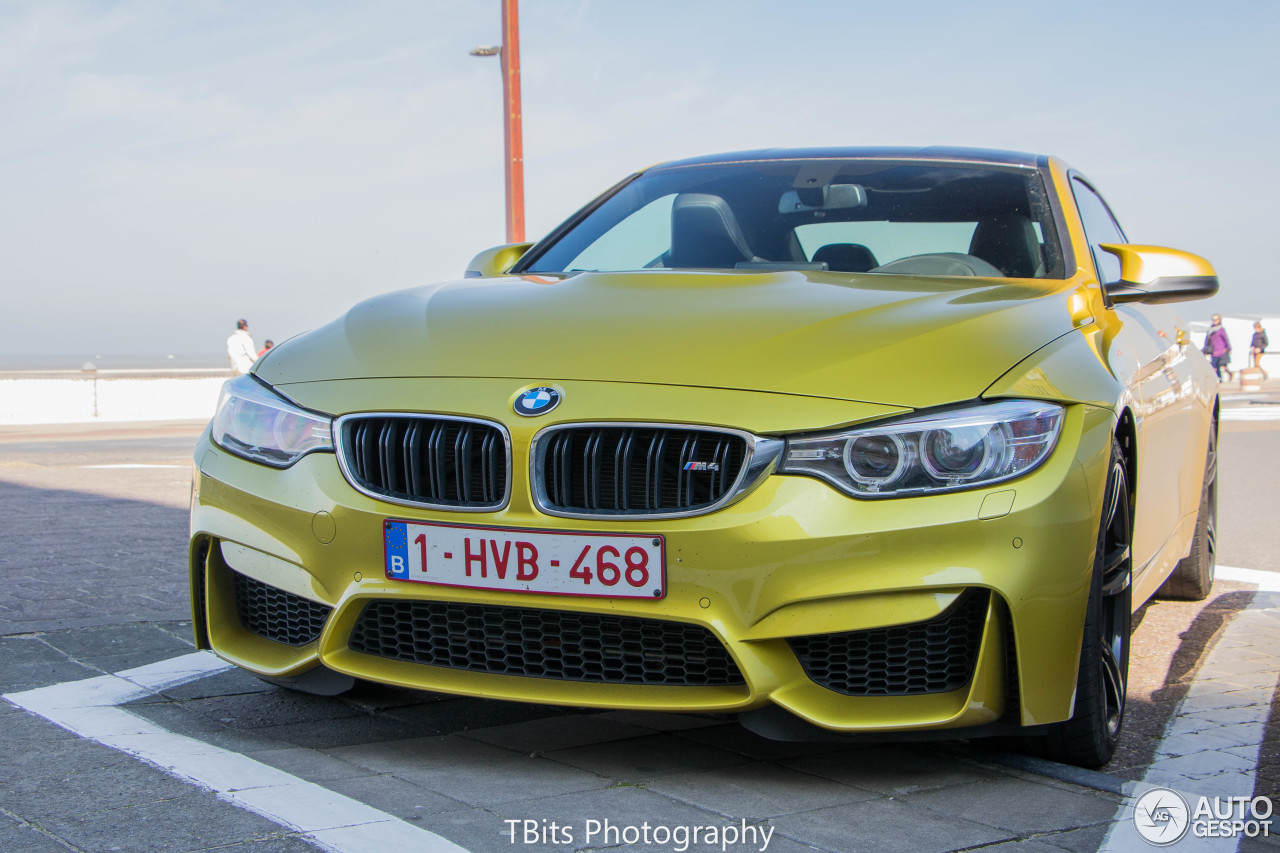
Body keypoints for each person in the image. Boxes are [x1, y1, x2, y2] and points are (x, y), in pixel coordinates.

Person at [1205, 314, 1232, 382]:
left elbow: (1226, 339)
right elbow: (1207, 341)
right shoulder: (1210, 330)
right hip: (1214, 351)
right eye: (1213, 319)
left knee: (1221, 366)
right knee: (1214, 366)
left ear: (1219, 320)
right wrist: (1205, 349)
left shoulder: (1221, 329)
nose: (1214, 321)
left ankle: (1228, 374)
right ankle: (1219, 378)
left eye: (1216, 319)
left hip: (1221, 350)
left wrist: (1229, 348)